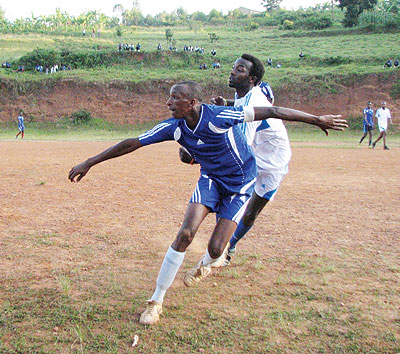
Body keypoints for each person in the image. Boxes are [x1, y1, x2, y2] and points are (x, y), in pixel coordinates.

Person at [68, 81, 347, 326]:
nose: (168, 102)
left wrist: (317, 119)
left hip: (241, 185)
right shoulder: (174, 128)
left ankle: (205, 265)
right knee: (185, 234)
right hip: (211, 180)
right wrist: (90, 161)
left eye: (174, 98)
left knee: (216, 249)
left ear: (191, 102)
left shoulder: (219, 116)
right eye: (168, 97)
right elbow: (133, 142)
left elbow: (273, 112)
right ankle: (155, 302)